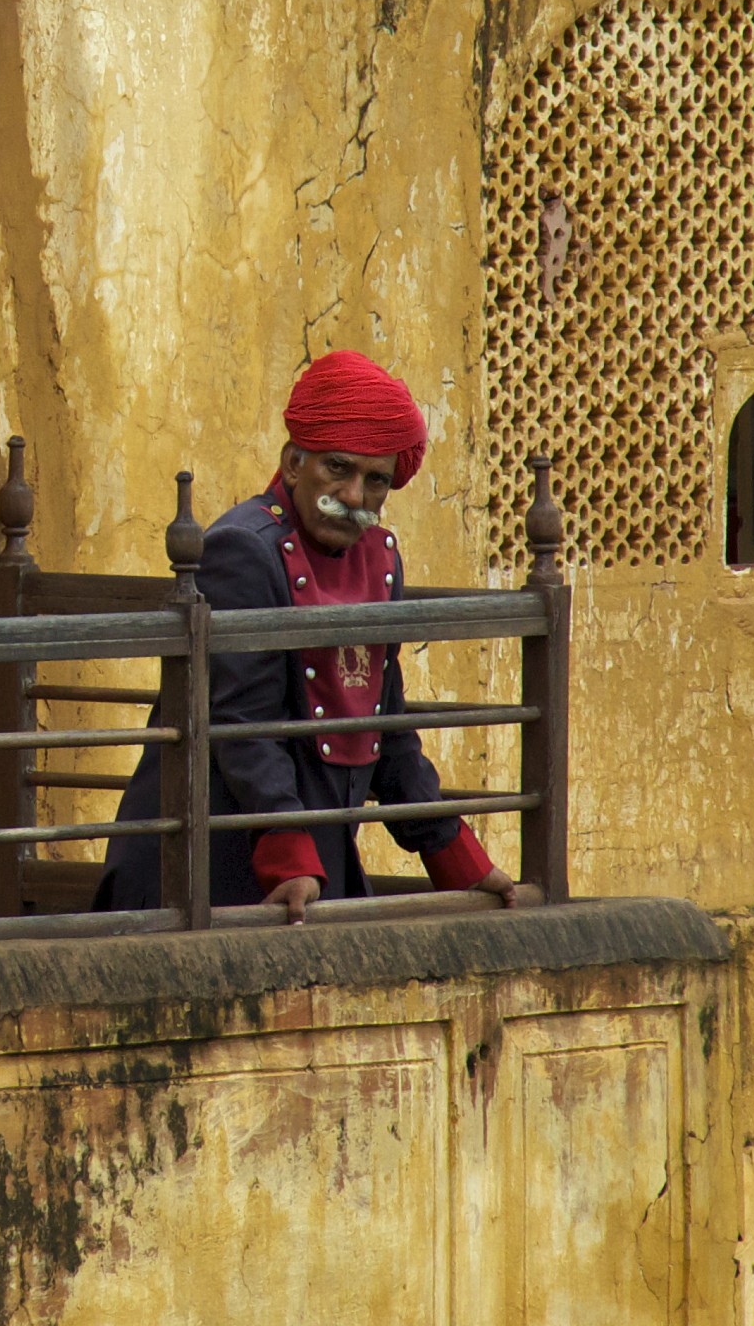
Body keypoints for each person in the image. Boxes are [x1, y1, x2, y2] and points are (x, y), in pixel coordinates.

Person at [93, 350, 517, 921]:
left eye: (375, 482)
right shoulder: (244, 549)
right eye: (337, 468)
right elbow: (243, 725)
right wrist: (288, 860)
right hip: (216, 864)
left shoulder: (379, 560)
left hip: (314, 863)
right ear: (294, 463)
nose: (352, 496)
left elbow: (386, 728)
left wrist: (458, 858)